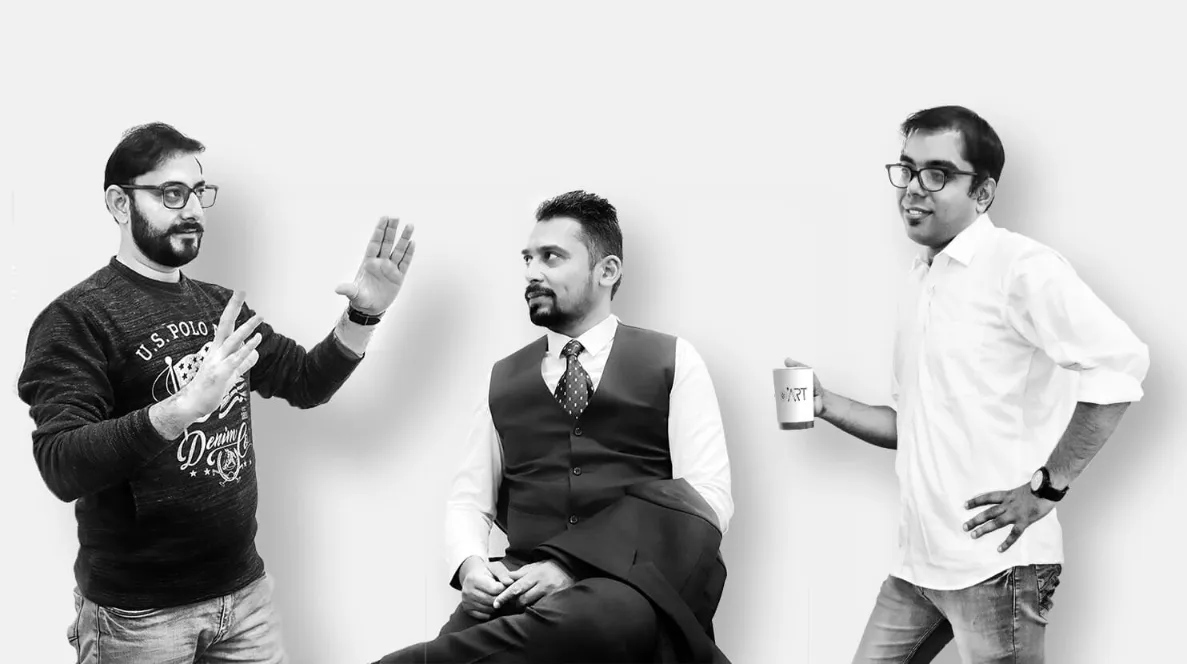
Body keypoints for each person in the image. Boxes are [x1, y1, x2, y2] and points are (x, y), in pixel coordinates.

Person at [17, 122, 416, 664]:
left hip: (245, 600)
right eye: (171, 193)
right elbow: (61, 464)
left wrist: (364, 314)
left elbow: (305, 381)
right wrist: (181, 408)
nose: (193, 211)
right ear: (118, 203)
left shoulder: (219, 307)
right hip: (139, 619)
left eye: (199, 193)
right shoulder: (76, 318)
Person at [787, 105, 1149, 663]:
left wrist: (1046, 489)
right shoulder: (921, 279)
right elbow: (913, 427)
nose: (913, 188)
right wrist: (827, 404)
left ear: (982, 193)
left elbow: (1119, 366)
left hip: (997, 565)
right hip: (917, 567)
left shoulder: (1020, 267)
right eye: (907, 170)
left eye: (937, 174)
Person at [371, 190, 734, 663]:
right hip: (517, 585)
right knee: (479, 630)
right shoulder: (502, 378)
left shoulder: (674, 360)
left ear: (607, 271)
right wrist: (471, 565)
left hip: (629, 584)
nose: (531, 272)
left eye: (551, 257)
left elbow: (707, 500)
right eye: (527, 259)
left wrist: (572, 565)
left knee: (614, 617)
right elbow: (469, 500)